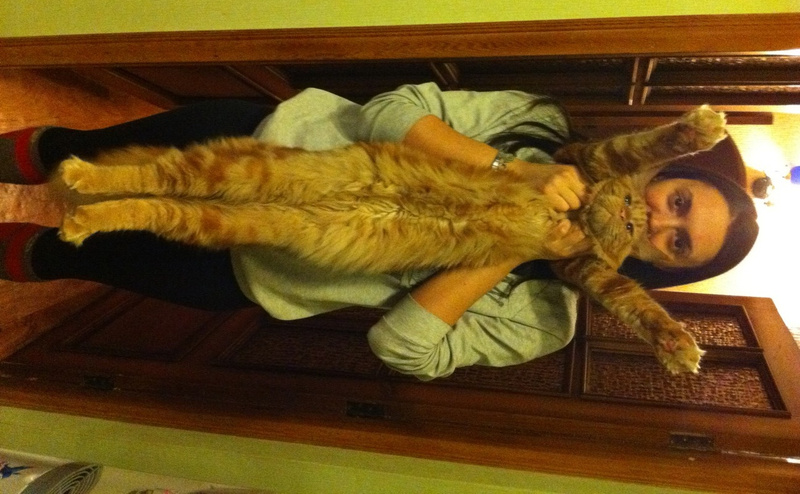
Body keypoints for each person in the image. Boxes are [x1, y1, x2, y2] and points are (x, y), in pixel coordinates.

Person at [0, 83, 758, 380]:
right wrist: (511, 171)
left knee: (68, 254)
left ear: (663, 268)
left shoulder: (547, 321)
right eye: (679, 201)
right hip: (268, 146)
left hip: (248, 270)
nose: (660, 220)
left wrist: (514, 245)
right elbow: (390, 112)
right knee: (79, 156)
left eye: (678, 241)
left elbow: (401, 348)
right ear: (664, 172)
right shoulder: (539, 124)